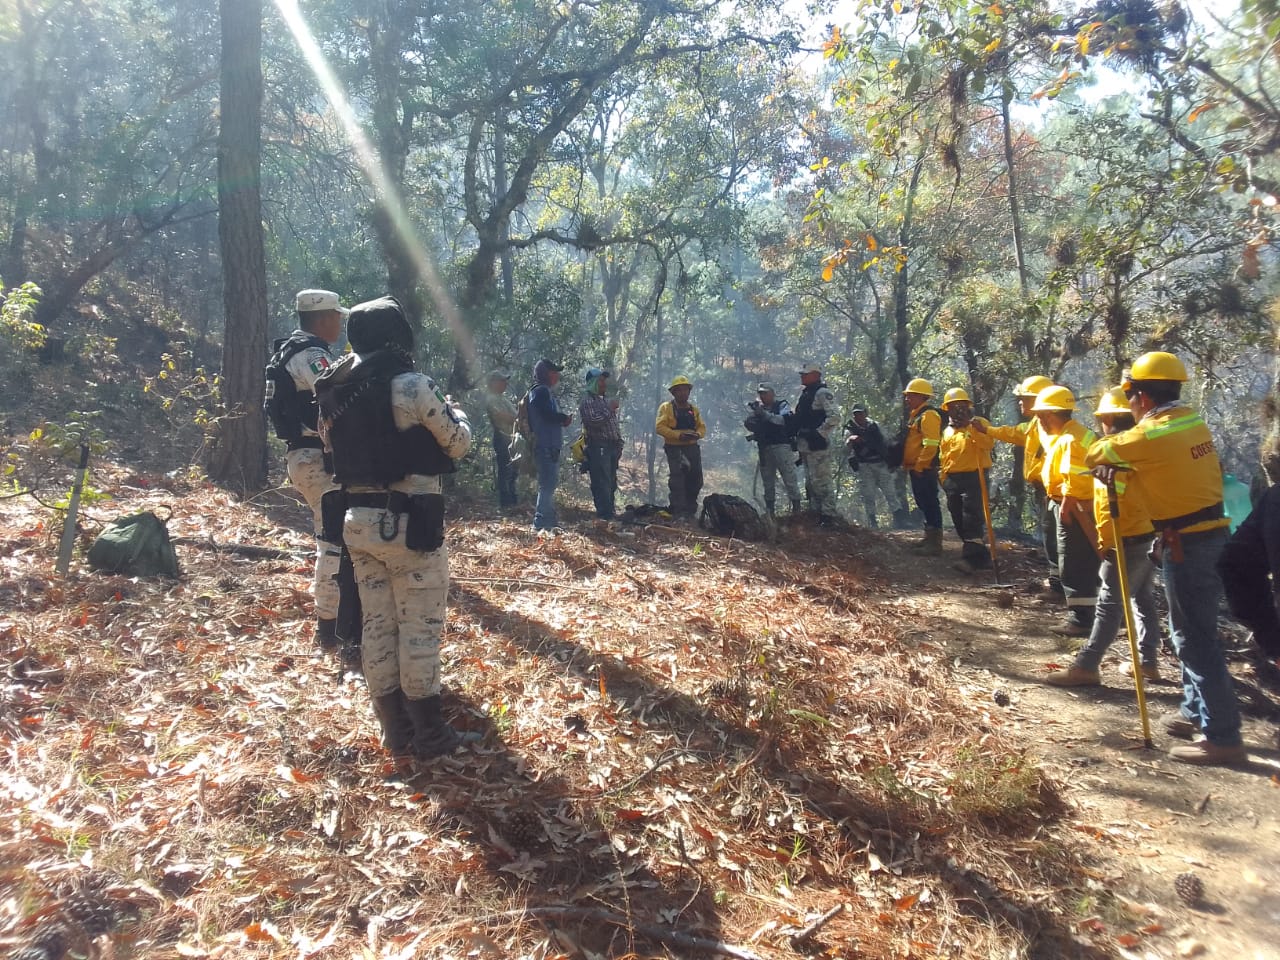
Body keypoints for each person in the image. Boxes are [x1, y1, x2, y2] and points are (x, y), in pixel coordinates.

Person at [314, 296, 474, 761]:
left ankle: (394, 731)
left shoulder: (332, 388)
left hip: (355, 522)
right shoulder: (411, 385)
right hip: (408, 523)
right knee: (420, 628)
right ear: (398, 334)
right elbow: (458, 443)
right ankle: (431, 736)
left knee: (377, 624)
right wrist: (458, 413)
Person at [1087, 352, 1246, 765]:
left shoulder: (1152, 436)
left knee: (1194, 638)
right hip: (1205, 536)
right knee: (1190, 631)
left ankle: (1222, 735)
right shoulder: (1191, 422)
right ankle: (1196, 712)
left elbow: (1096, 455)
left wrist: (1115, 464)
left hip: (1187, 543)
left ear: (1139, 396)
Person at [1047, 388, 1161, 687]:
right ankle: (1147, 660)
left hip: (1128, 538)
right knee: (1142, 597)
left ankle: (1087, 664)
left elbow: (1123, 499)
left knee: (1110, 603)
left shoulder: (1116, 451)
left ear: (1108, 418)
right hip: (1143, 535)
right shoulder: (1138, 448)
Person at [264, 289, 349, 651]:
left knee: (333, 539)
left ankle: (335, 622)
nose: (341, 323)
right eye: (337, 316)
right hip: (316, 459)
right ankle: (330, 627)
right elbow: (336, 394)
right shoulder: (312, 355)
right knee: (333, 543)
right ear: (322, 319)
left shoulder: (289, 350)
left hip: (306, 458)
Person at [977, 375, 1058, 601]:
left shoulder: (1052, 429)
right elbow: (1014, 433)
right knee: (1050, 536)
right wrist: (987, 430)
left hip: (1052, 491)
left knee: (1055, 538)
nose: (1020, 403)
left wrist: (1050, 490)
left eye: (1024, 398)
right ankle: (1058, 581)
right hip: (1045, 490)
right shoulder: (1036, 425)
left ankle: (1061, 587)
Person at [1032, 385, 1099, 637]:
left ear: (1051, 414)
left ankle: (1082, 620)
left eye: (1041, 416)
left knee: (1075, 562)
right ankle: (1090, 614)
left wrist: (1068, 501)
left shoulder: (1071, 439)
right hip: (1067, 502)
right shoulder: (1069, 434)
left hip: (1074, 507)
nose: (1039, 421)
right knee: (1076, 560)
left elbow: (1078, 476)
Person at [937, 388, 994, 573]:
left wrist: (971, 427)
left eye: (960, 406)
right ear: (947, 409)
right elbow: (944, 455)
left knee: (972, 518)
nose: (957, 410)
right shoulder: (947, 431)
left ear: (968, 406)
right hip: (953, 479)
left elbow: (988, 444)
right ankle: (981, 556)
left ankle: (970, 560)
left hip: (975, 476)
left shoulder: (979, 423)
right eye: (952, 407)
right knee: (958, 518)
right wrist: (943, 478)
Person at [527, 359, 573, 532]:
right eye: (554, 372)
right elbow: (546, 414)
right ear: (547, 374)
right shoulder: (540, 392)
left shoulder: (542, 392)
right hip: (545, 445)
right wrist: (563, 418)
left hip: (548, 445)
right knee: (547, 484)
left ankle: (550, 522)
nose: (557, 376)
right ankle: (539, 523)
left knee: (549, 483)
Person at [792, 364, 841, 526]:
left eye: (805, 374)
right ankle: (815, 514)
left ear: (815, 375)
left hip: (818, 445)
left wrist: (819, 433)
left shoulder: (822, 393)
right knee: (811, 482)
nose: (802, 376)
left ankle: (828, 516)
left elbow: (834, 417)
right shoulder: (806, 394)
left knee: (822, 481)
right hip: (806, 445)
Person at [744, 382, 802, 518]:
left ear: (772, 394)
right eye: (761, 394)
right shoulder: (759, 410)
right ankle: (770, 512)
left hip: (781, 446)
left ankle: (797, 510)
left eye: (765, 393)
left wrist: (764, 415)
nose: (763, 396)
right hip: (765, 447)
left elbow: (782, 420)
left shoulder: (781, 405)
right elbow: (749, 423)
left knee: (789, 477)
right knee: (768, 481)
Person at [901, 378, 944, 555]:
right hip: (916, 468)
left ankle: (935, 544)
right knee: (923, 501)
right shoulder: (917, 415)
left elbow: (932, 444)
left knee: (930, 501)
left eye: (910, 396)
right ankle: (929, 537)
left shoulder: (929, 416)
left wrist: (920, 465)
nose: (907, 399)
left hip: (924, 469)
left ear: (921, 396)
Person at [844, 406, 905, 529]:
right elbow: (845, 450)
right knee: (868, 495)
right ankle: (873, 522)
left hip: (880, 464)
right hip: (865, 466)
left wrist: (892, 461)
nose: (858, 417)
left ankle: (899, 520)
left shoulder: (875, 426)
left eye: (861, 414)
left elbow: (887, 441)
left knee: (890, 492)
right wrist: (850, 440)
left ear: (866, 414)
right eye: (856, 414)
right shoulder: (851, 430)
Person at [655, 375, 706, 518]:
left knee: (696, 479)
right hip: (674, 448)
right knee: (678, 479)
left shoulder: (693, 409)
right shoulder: (666, 408)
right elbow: (659, 427)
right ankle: (678, 511)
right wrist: (678, 435)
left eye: (686, 390)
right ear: (673, 392)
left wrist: (697, 435)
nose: (683, 393)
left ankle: (690, 510)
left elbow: (702, 427)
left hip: (692, 448)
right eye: (680, 390)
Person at [579, 366, 623, 520]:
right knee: (601, 482)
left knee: (611, 481)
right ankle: (604, 515)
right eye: (601, 381)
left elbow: (612, 425)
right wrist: (609, 409)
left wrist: (619, 443)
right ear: (593, 383)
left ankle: (610, 513)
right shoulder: (587, 401)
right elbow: (593, 422)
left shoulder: (602, 401)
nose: (604, 384)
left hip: (610, 448)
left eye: (604, 380)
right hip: (599, 447)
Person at [483, 369, 518, 509]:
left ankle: (513, 501)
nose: (505, 383)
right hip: (502, 437)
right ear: (493, 383)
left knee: (513, 470)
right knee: (505, 470)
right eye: (502, 381)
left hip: (511, 437)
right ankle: (506, 503)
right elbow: (503, 416)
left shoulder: (504, 399)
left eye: (505, 380)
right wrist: (517, 419)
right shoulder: (491, 399)